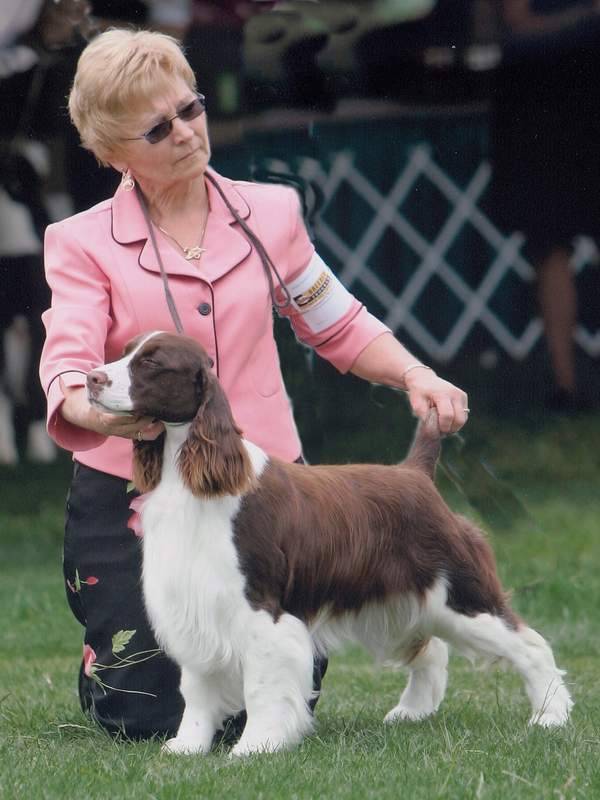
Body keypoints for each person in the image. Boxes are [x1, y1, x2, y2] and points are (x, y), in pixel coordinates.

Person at [39, 28, 469, 741]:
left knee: (265, 692)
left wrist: (414, 374)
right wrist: (100, 414)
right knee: (146, 717)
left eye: (192, 109)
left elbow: (334, 320)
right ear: (114, 153)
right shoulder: (80, 242)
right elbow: (67, 359)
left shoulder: (269, 213)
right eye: (158, 128)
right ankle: (109, 664)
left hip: (263, 489)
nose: (186, 133)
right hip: (135, 485)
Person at [493, 0, 600, 411]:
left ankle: (566, 386)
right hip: (541, 100)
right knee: (550, 243)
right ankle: (566, 386)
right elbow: (515, 23)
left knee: (551, 245)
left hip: (580, 91)